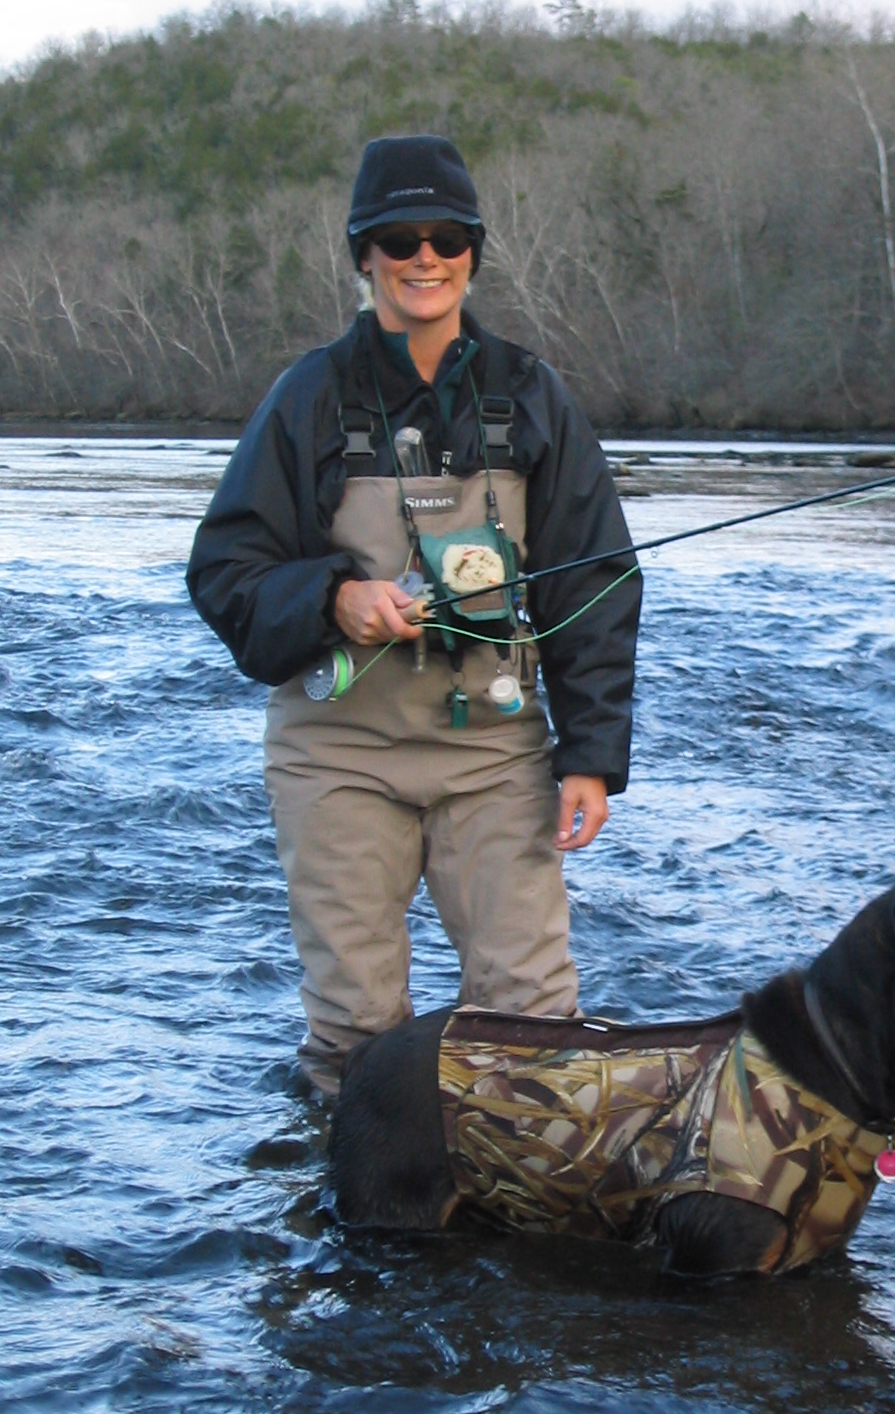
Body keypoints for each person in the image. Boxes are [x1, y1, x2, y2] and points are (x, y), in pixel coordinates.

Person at [187, 134, 640, 1097]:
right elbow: (224, 573)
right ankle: (352, 1183)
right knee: (355, 1033)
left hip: (496, 753)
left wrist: (592, 756)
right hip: (337, 754)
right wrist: (334, 599)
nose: (424, 257)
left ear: (473, 252)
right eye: (399, 239)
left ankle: (511, 1184)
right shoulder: (307, 398)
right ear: (364, 255)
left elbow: (596, 585)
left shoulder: (532, 395)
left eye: (447, 237)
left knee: (533, 1025)